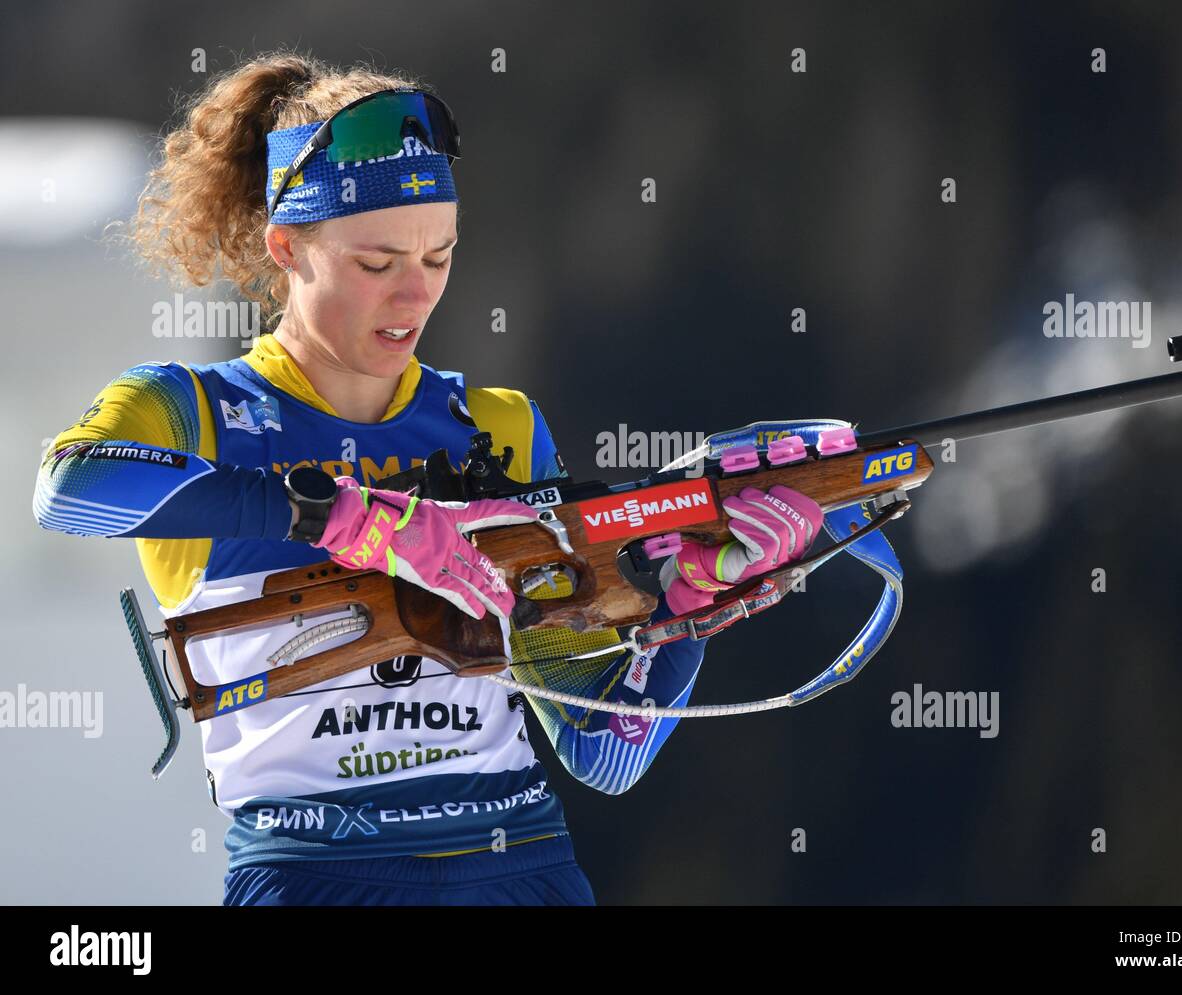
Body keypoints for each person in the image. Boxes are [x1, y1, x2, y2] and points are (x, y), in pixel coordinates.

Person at [32, 52, 824, 906]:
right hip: (316, 875)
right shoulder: (195, 410)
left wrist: (686, 605)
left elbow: (606, 752)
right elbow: (69, 490)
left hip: (521, 865)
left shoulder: (501, 426)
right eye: (377, 265)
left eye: (438, 259)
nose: (413, 296)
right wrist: (342, 517)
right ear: (287, 246)